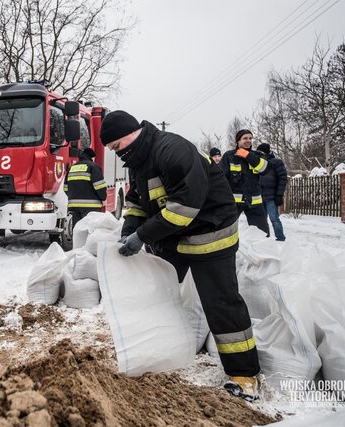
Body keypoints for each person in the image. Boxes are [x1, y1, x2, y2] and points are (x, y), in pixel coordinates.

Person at [100, 110, 261, 401]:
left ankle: (244, 374)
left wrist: (142, 237)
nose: (116, 154)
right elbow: (138, 200)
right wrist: (129, 228)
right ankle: (160, 350)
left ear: (126, 135)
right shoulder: (139, 160)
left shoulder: (171, 150)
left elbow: (184, 208)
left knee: (221, 303)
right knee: (155, 293)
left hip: (211, 233)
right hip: (175, 236)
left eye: (115, 148)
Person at [219, 130, 270, 236]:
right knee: (224, 230)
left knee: (262, 233)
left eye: (250, 138)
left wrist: (248, 155)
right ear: (238, 141)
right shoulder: (229, 156)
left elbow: (266, 169)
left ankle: (261, 251)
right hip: (234, 202)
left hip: (254, 202)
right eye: (245, 138)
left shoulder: (257, 155)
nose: (248, 141)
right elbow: (220, 177)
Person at [63, 147, 107, 222]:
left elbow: (65, 188)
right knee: (90, 230)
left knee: (77, 230)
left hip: (73, 206)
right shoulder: (93, 167)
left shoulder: (72, 168)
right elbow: (100, 186)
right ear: (91, 157)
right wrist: (103, 198)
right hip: (91, 207)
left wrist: (75, 197)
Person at [256, 143, 287, 241]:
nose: (259, 154)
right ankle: (264, 238)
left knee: (274, 219)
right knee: (262, 220)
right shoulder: (257, 163)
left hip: (272, 197)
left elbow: (282, 179)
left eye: (260, 152)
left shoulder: (276, 162)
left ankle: (280, 238)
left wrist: (279, 194)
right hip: (259, 197)